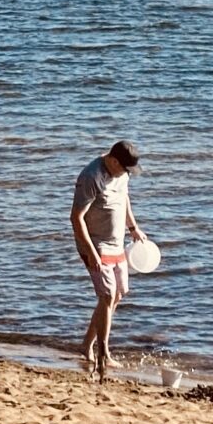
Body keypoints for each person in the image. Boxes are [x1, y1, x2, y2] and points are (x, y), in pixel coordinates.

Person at [71, 138, 147, 378]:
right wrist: (91, 251)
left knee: (118, 294)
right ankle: (103, 351)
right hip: (95, 245)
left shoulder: (121, 174)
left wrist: (133, 227)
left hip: (116, 243)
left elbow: (123, 198)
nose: (128, 174)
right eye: (125, 169)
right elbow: (76, 218)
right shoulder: (91, 177)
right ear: (113, 161)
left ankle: (86, 345)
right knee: (106, 295)